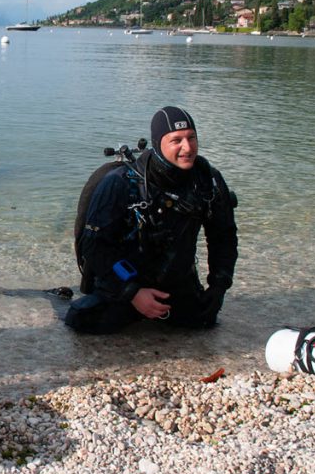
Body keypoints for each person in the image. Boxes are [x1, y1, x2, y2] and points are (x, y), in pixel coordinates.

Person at [65, 106, 238, 334]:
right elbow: (95, 246)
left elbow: (223, 236)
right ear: (157, 143)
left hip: (175, 283)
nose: (187, 147)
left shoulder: (207, 181)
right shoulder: (121, 183)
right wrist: (132, 292)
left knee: (204, 320)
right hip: (124, 282)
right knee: (82, 320)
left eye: (191, 138)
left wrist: (219, 285)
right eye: (176, 140)